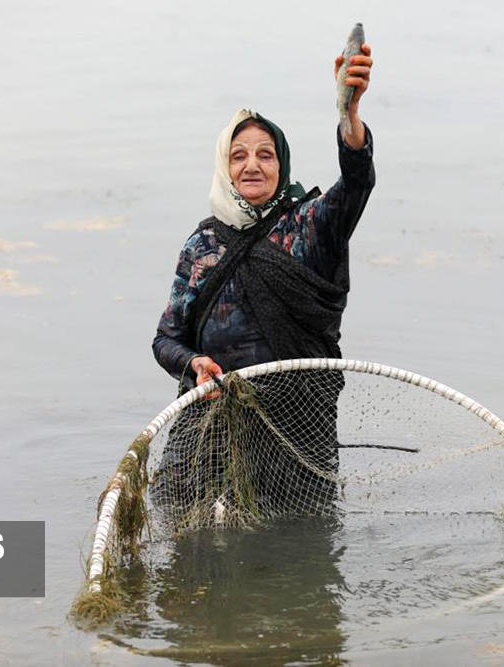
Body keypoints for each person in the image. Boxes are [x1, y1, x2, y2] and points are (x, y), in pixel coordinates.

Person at [150, 45, 375, 520]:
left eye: (265, 155)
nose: (251, 165)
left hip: (297, 440)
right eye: (238, 156)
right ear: (225, 169)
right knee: (187, 549)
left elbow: (356, 184)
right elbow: (166, 339)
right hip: (208, 431)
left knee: (300, 545)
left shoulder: (310, 228)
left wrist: (349, 115)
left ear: (281, 166)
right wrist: (194, 364)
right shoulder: (202, 246)